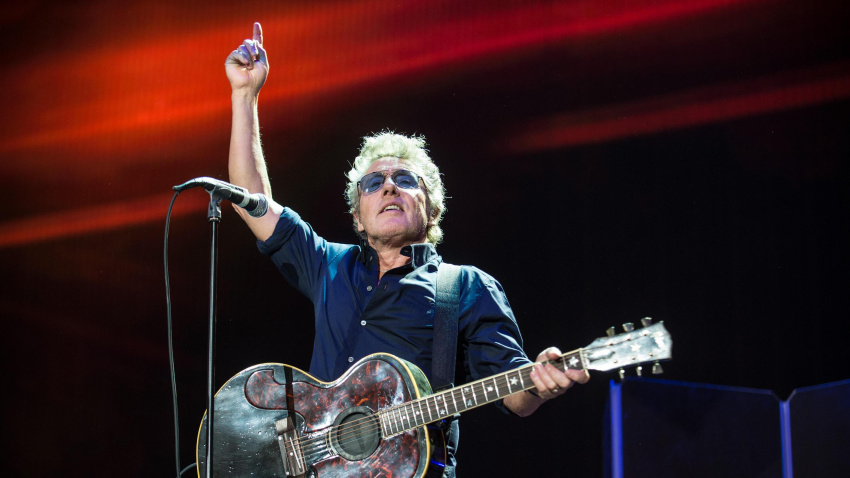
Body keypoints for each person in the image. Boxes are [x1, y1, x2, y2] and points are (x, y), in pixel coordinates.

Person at [224, 22, 589, 476]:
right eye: (373, 183)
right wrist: (245, 96)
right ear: (358, 214)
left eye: (405, 180)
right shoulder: (328, 265)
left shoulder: (466, 287)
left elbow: (516, 397)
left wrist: (544, 383)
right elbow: (249, 199)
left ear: (431, 208)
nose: (389, 187)